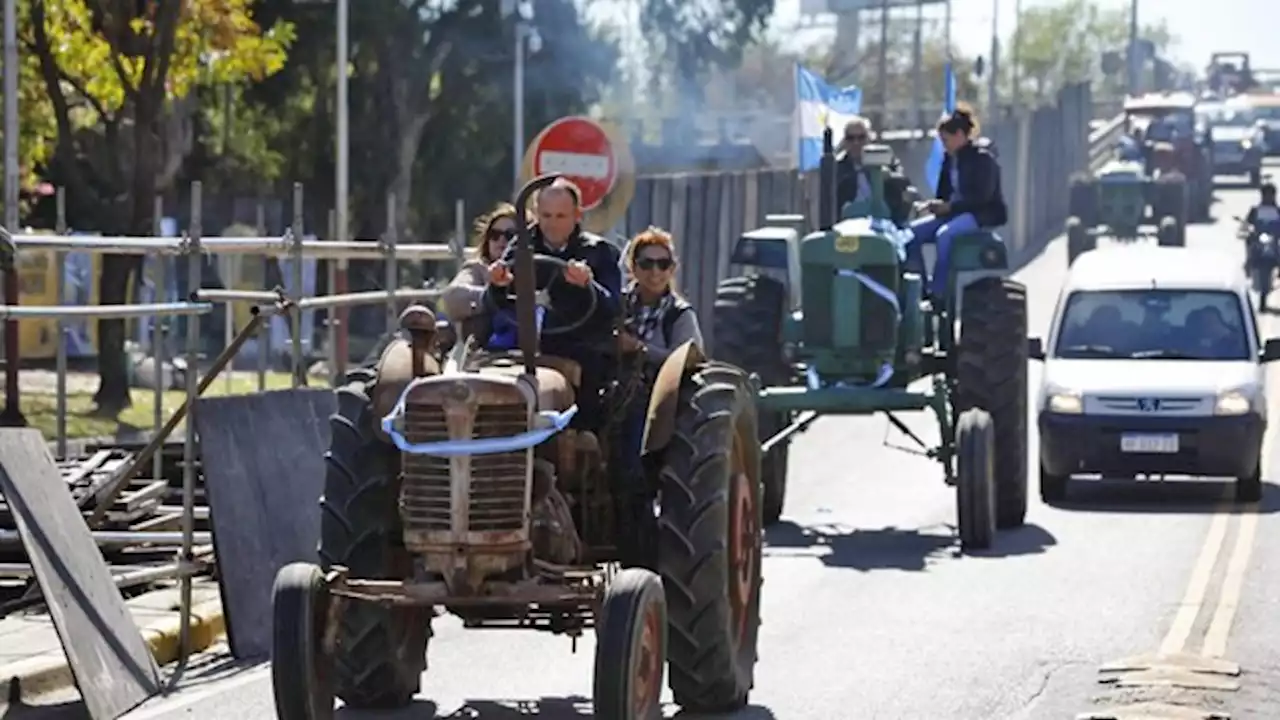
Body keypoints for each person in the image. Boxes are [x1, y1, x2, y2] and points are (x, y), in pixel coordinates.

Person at [486, 178, 622, 431]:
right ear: (536, 214)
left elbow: (613, 308)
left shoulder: (599, 252)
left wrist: (588, 286)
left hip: (579, 344)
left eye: (561, 216)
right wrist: (499, 284)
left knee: (593, 379)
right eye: (546, 215)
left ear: (577, 215)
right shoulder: (522, 247)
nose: (553, 224)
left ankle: (586, 441)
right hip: (525, 344)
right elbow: (494, 303)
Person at [904, 105, 1008, 299]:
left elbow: (982, 197)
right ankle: (918, 287)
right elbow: (944, 194)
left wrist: (951, 207)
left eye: (946, 139)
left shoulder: (982, 159)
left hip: (978, 215)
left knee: (945, 236)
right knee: (910, 234)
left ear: (960, 134)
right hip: (954, 213)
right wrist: (932, 205)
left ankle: (938, 290)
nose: (944, 145)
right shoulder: (949, 159)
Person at [440, 201, 531, 343]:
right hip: (486, 355)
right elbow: (452, 297)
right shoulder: (478, 268)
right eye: (494, 235)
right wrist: (491, 297)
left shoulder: (539, 269)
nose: (501, 240)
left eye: (510, 235)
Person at [834, 117, 913, 225]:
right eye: (850, 138)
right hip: (850, 221)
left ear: (869, 138)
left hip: (885, 219)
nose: (856, 143)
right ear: (844, 141)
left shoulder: (884, 157)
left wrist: (887, 175)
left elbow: (904, 181)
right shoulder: (838, 166)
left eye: (861, 137)